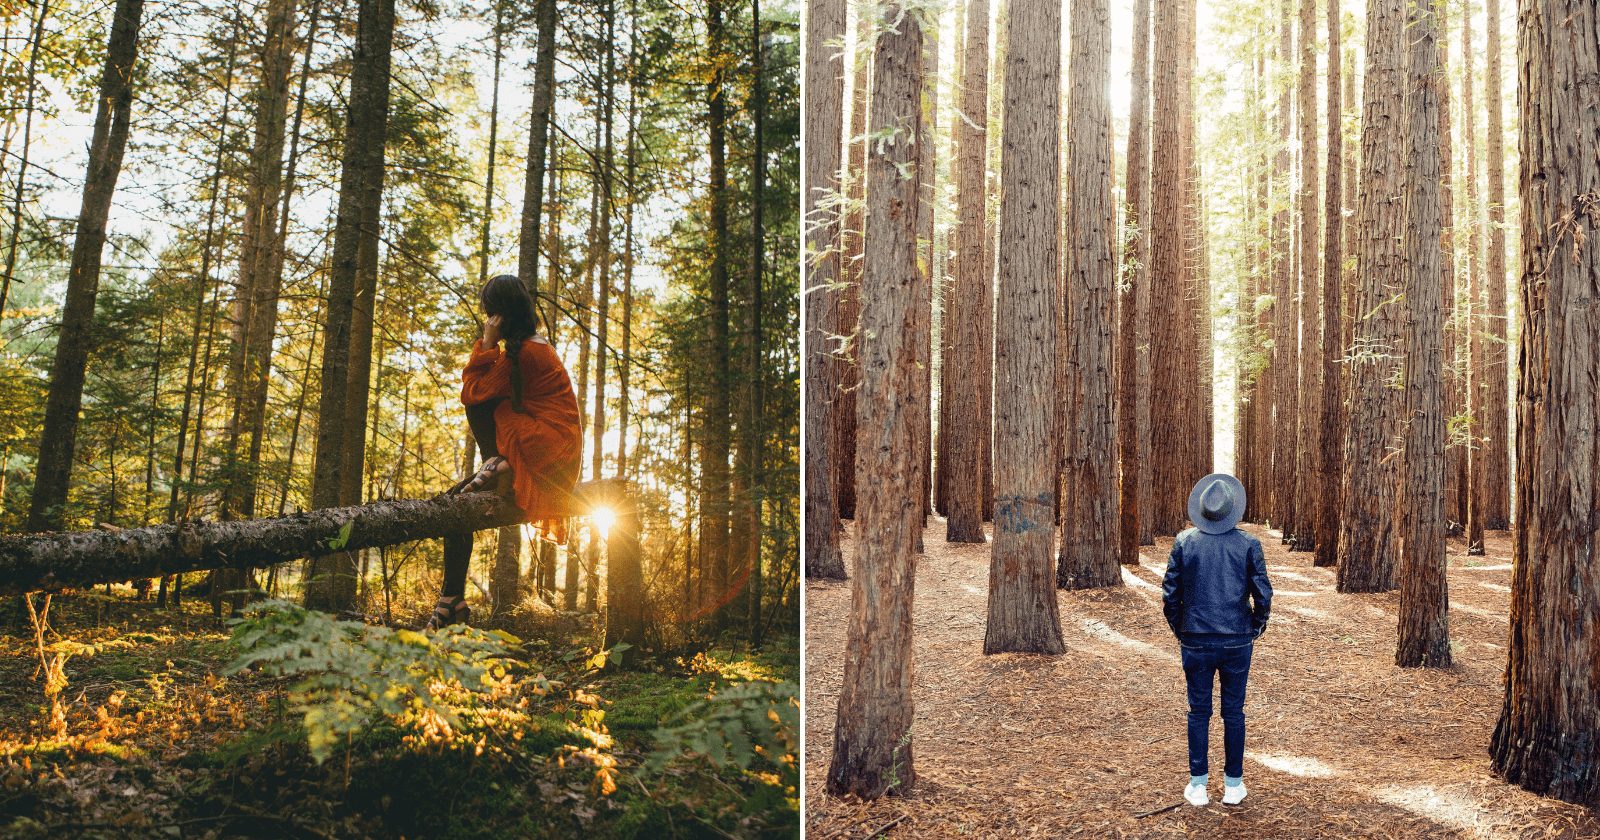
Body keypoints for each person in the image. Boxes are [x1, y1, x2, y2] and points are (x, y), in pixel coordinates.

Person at [430, 274, 582, 629]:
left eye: (490, 314)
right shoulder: (529, 347)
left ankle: (496, 462)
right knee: (456, 503)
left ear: (500, 315)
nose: (488, 321)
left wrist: (486, 342)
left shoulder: (527, 353)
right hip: (547, 446)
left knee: (484, 402)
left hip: (547, 449)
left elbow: (471, 392)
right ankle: (451, 599)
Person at [1162, 473, 1272, 807]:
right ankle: (1233, 786)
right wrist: (1254, 625)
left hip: (1196, 639)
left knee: (1198, 712)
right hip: (1237, 639)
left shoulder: (1184, 542)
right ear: (1231, 510)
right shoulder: (1248, 544)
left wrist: (1182, 629)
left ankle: (1198, 786)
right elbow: (1263, 593)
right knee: (1234, 712)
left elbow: (1170, 595)